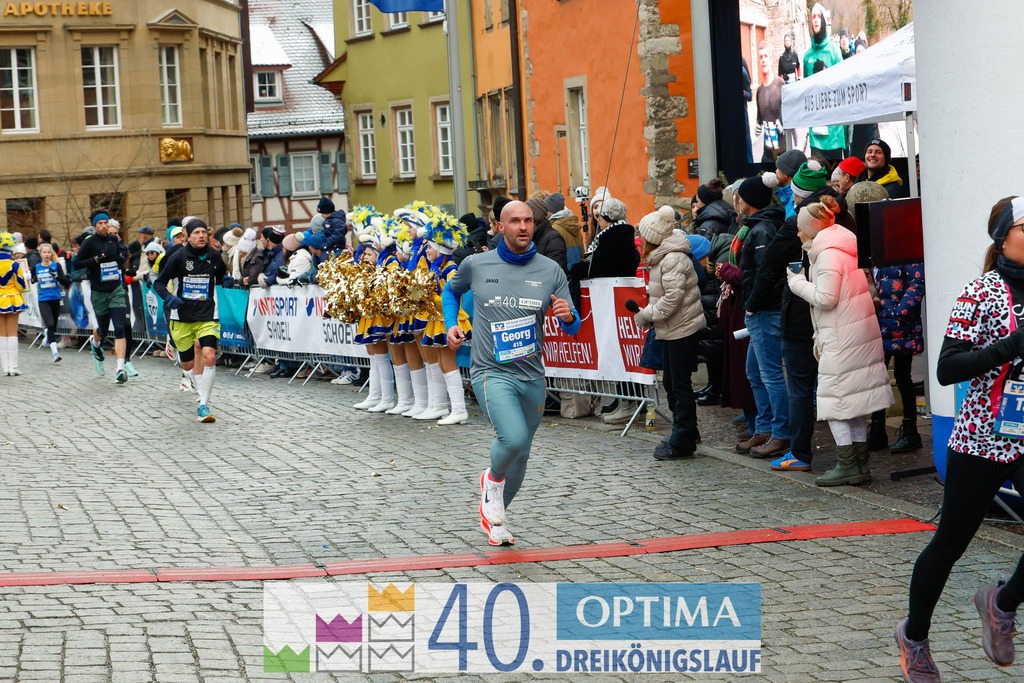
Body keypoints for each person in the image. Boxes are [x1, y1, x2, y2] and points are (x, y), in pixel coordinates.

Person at [895, 196, 1024, 681]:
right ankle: (915, 636)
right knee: (951, 543)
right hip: (982, 438)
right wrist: (1011, 346)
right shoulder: (981, 292)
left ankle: (1001, 603)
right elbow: (947, 368)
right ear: (1002, 236)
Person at [443, 200, 580, 546]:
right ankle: (491, 479)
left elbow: (572, 326)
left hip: (532, 374)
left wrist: (567, 317)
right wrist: (450, 325)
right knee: (513, 438)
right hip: (490, 371)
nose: (523, 226)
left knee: (523, 453)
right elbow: (450, 291)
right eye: (515, 221)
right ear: (500, 227)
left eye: (528, 220)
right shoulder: (476, 264)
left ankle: (497, 518)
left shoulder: (551, 270)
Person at [787, 197, 893, 485]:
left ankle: (848, 465)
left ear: (812, 228)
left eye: (800, 228)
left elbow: (826, 298)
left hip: (842, 336)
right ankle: (859, 465)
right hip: (854, 333)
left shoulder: (828, 255)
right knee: (852, 404)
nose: (798, 233)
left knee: (836, 403)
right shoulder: (845, 247)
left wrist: (796, 282)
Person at [633, 206, 705, 460]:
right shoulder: (665, 256)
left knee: (679, 384)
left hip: (682, 329)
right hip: (673, 328)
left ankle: (683, 440)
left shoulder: (672, 258)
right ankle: (684, 431)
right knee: (672, 383)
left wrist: (646, 315)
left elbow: (673, 299)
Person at [733, 174, 789, 458]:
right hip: (760, 309)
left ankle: (781, 433)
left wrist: (752, 304)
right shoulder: (757, 226)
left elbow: (766, 273)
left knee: (770, 374)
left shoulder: (762, 229)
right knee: (755, 372)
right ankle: (765, 428)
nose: (738, 201)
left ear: (749, 201)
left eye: (741, 196)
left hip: (765, 310)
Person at [154, 218, 231, 422]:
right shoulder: (178, 257)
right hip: (182, 317)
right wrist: (169, 298)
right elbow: (159, 283)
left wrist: (228, 280)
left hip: (207, 315)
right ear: (187, 236)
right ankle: (177, 351)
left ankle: (203, 405)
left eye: (204, 232)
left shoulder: (214, 256)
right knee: (187, 364)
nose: (201, 235)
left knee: (209, 355)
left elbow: (222, 276)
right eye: (196, 232)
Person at [75, 212, 131, 383]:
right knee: (103, 330)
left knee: (120, 327)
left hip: (116, 289)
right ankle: (95, 342)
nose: (104, 226)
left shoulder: (113, 240)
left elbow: (118, 260)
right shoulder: (89, 242)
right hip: (99, 291)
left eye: (106, 222)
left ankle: (120, 369)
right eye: (100, 223)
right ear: (94, 225)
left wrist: (125, 269)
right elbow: (78, 263)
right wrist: (97, 259)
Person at [802, 3, 846, 161]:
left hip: (834, 129)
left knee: (835, 178)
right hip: (816, 125)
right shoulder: (807, 56)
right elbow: (805, 90)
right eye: (812, 17)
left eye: (817, 16)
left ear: (823, 20)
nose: (815, 20)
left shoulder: (834, 51)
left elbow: (843, 84)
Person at [33, 243, 71, 362]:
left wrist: (56, 276)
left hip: (55, 298)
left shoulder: (56, 265)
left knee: (53, 326)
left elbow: (65, 282)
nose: (46, 254)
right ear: (40, 254)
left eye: (48, 252)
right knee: (49, 324)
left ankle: (48, 336)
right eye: (44, 252)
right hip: (43, 299)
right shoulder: (36, 267)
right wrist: (31, 278)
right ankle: (55, 354)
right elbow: (33, 279)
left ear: (51, 254)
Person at [754, 40, 786, 168]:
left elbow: (790, 115)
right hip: (767, 153)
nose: (763, 60)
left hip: (782, 152)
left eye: (765, 56)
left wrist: (782, 123)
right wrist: (757, 125)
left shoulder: (780, 84)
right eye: (760, 57)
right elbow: (759, 119)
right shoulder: (759, 90)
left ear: (771, 59)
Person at [0, 231, 28, 375]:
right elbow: (21, 286)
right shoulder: (15, 265)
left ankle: (5, 368)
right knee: (12, 333)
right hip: (12, 298)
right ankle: (13, 366)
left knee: (2, 334)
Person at [546, 193, 584, 269]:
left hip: (563, 274)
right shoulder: (575, 226)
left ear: (550, 211)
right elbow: (582, 254)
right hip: (576, 273)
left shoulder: (554, 229)